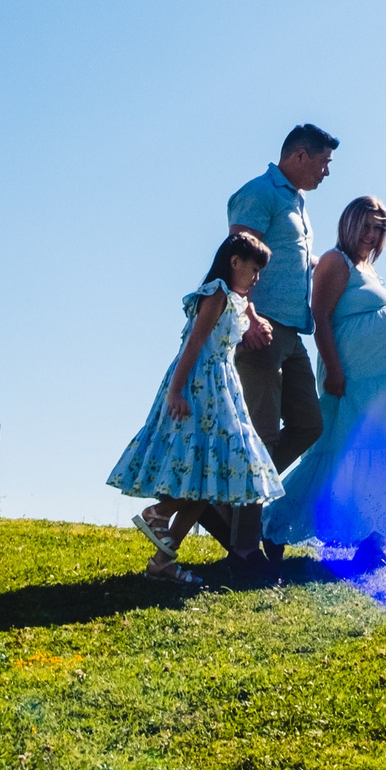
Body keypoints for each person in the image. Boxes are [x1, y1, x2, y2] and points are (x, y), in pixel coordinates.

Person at [106, 232, 285, 584]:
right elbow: (194, 344)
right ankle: (158, 511)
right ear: (234, 262)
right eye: (253, 269)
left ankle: (163, 562)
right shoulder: (217, 292)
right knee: (204, 471)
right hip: (200, 386)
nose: (256, 277)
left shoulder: (232, 299)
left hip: (222, 386)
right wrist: (176, 392)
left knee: (210, 479)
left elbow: (222, 344)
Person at [262, 195, 386, 566]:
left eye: (378, 228)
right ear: (349, 224)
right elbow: (320, 316)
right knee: (338, 454)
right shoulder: (337, 262)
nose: (371, 234)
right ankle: (273, 523)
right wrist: (334, 370)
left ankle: (371, 547)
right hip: (354, 378)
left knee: (384, 453)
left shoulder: (368, 268)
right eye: (365, 226)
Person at [219, 122, 338, 566]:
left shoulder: (298, 203)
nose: (327, 172)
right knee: (264, 435)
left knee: (309, 424)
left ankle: (235, 505)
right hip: (260, 330)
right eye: (324, 162)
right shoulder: (260, 192)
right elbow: (237, 261)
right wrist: (248, 318)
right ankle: (244, 546)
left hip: (292, 332)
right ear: (301, 156)